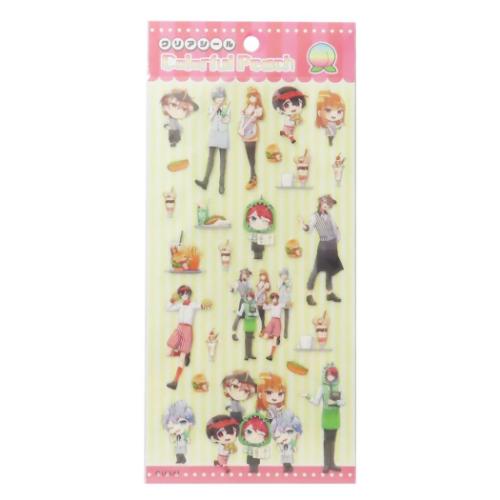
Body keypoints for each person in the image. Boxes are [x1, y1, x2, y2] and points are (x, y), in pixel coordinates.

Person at [165, 285, 211, 390]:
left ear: (189, 294)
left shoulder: (193, 304)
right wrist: (172, 300)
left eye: (186, 293)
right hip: (179, 329)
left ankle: (175, 381)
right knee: (168, 353)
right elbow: (168, 308)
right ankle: (186, 354)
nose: (184, 295)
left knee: (181, 359)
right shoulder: (180, 305)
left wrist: (206, 305)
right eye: (182, 293)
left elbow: (202, 306)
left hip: (187, 330)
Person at [302, 195, 343, 305]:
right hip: (324, 245)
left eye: (329, 204)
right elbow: (309, 228)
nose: (327, 206)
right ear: (321, 202)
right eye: (326, 203)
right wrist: (304, 226)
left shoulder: (329, 215)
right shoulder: (315, 216)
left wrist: (337, 238)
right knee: (316, 270)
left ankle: (329, 293)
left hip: (332, 245)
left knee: (330, 270)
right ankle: (309, 294)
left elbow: (335, 227)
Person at [304, 363, 344, 472]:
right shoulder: (322, 387)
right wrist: (308, 397)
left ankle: (332, 464)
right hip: (326, 416)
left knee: (333, 440)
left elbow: (343, 402)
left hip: (335, 416)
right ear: (325, 375)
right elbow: (316, 402)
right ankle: (326, 464)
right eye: (329, 375)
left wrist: (337, 402)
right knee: (326, 441)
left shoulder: (339, 387)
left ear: (336, 376)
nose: (330, 377)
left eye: (333, 375)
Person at [195, 87, 231, 194]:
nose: (220, 99)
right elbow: (210, 118)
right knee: (210, 158)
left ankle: (221, 185)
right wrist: (216, 109)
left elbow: (227, 120)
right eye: (217, 98)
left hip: (223, 134)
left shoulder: (226, 108)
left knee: (223, 160)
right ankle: (205, 182)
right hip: (214, 134)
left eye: (221, 97)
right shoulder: (211, 107)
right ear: (214, 99)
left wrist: (224, 117)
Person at [238, 87, 264, 190]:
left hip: (252, 131)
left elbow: (252, 119)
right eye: (250, 96)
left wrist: (243, 128)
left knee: (251, 155)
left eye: (254, 96)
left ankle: (252, 176)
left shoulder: (258, 109)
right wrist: (240, 129)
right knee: (249, 155)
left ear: (257, 97)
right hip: (244, 132)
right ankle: (253, 176)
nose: (252, 98)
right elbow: (242, 119)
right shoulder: (247, 107)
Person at [237, 290, 258, 360]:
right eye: (248, 296)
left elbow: (257, 314)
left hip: (253, 322)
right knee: (247, 339)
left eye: (251, 296)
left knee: (251, 339)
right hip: (247, 322)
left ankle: (250, 354)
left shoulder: (254, 304)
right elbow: (240, 313)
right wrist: (238, 313)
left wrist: (252, 314)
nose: (249, 298)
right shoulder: (244, 304)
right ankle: (246, 354)